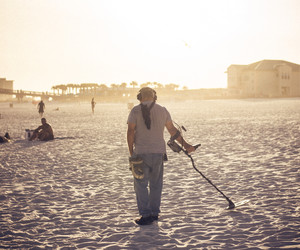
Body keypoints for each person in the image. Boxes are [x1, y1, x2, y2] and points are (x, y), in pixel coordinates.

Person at [127, 87, 195, 225]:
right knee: (156, 184)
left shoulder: (135, 110)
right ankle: (154, 213)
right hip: (158, 153)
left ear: (140, 97)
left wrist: (131, 153)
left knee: (140, 185)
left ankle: (145, 215)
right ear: (155, 97)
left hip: (140, 153)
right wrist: (186, 145)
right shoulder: (162, 110)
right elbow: (172, 131)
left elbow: (130, 132)